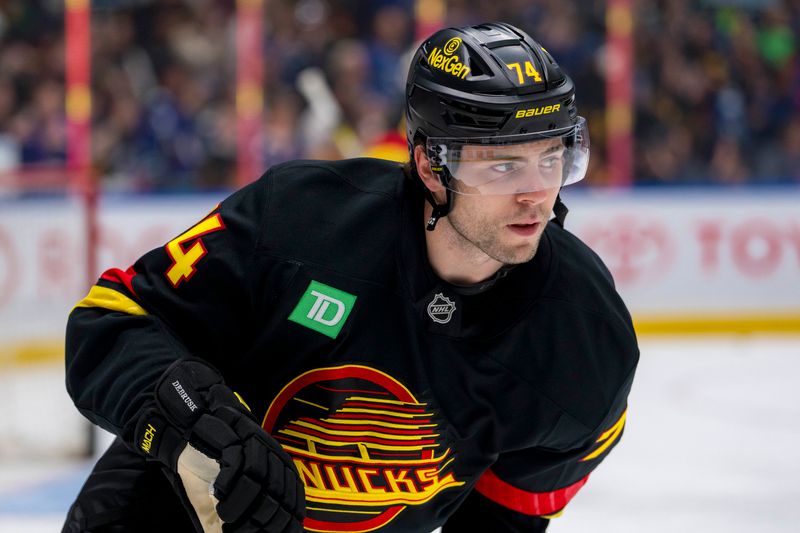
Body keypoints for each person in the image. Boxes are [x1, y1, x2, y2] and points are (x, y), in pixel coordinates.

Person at [63, 22, 639, 533]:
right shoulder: (295, 219)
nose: (536, 193)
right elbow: (107, 324)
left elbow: (508, 513)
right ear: (430, 168)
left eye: (551, 158)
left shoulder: (585, 340)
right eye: (504, 165)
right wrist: (196, 419)